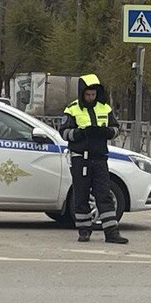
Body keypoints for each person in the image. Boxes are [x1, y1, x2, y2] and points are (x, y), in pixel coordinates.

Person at [61, 74, 127, 244]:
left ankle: (111, 233)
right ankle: (84, 231)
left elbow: (116, 128)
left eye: (93, 94)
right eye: (87, 94)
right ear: (82, 93)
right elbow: (64, 133)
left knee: (104, 195)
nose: (91, 97)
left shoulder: (104, 108)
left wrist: (106, 132)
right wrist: (79, 134)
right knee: (81, 196)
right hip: (80, 159)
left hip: (99, 159)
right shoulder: (72, 109)